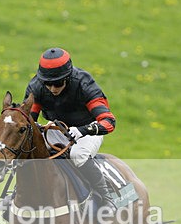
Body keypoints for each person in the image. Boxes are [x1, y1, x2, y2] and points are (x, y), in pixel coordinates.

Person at [24, 47, 117, 212]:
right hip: (56, 129)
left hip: (88, 131)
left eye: (58, 83)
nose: (52, 89)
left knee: (77, 154)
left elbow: (109, 122)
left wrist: (83, 130)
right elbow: (29, 119)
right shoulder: (36, 87)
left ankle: (107, 196)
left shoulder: (83, 84)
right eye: (48, 83)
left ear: (67, 78)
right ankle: (14, 196)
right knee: (28, 149)